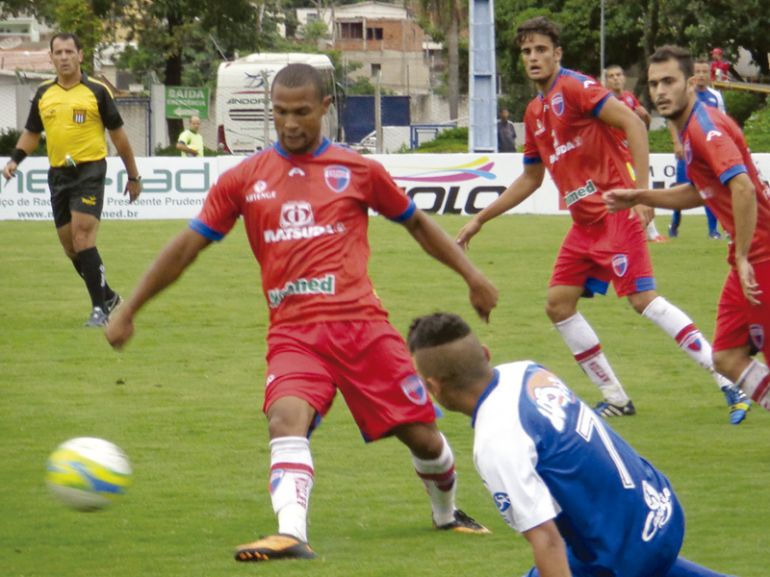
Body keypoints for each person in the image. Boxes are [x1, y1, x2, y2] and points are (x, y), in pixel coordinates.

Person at [105, 63, 499, 562]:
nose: (289, 123)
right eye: (280, 112)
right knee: (284, 420)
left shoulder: (358, 170)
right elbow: (187, 247)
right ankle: (291, 532)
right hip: (293, 335)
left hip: (363, 331)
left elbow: (418, 224)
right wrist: (131, 307)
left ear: (324, 108)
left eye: (301, 112)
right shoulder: (244, 179)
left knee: (422, 438)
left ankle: (447, 512)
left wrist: (473, 276)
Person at [455, 16, 749, 423]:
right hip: (584, 226)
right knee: (558, 305)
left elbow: (633, 123)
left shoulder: (575, 87)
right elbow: (531, 177)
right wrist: (480, 219)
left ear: (557, 54)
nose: (534, 57)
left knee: (643, 300)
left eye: (542, 50)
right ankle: (616, 396)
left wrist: (643, 193)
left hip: (616, 212)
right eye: (527, 52)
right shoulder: (535, 111)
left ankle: (728, 381)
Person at [407, 311, 738, 577]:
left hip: (621, 554)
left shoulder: (496, 441)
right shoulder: (527, 371)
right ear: (485, 354)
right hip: (660, 508)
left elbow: (547, 540)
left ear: (432, 385)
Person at [604, 44, 770, 416]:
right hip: (747, 257)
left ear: (690, 84)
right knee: (726, 357)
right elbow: (701, 191)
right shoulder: (693, 127)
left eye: (669, 81)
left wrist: (743, 255)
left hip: (762, 257)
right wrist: (641, 195)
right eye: (654, 84)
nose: (660, 91)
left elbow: (741, 186)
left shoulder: (704, 128)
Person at [1, 32, 142, 327]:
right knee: (71, 247)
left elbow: (120, 139)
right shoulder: (43, 93)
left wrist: (133, 176)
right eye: (58, 52)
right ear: (51, 57)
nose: (63, 57)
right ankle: (108, 296)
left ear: (80, 54)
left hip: (89, 171)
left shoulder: (97, 91)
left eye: (69, 51)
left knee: (83, 237)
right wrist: (15, 159)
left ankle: (99, 310)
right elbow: (31, 133)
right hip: (58, 175)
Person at [604, 64, 666, 243]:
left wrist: (645, 115)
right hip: (614, 156)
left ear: (624, 78)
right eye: (612, 76)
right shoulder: (606, 101)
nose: (616, 78)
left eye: (618, 75)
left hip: (629, 154)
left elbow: (643, 122)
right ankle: (647, 232)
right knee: (636, 192)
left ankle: (646, 231)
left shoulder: (630, 99)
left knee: (638, 191)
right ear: (606, 81)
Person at [668, 58, 725, 239]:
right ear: (692, 74)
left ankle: (712, 231)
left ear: (709, 75)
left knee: (710, 190)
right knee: (681, 190)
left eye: (704, 72)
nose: (701, 75)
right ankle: (675, 222)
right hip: (687, 150)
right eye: (698, 71)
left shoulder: (715, 96)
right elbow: (671, 119)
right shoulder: (684, 95)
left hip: (708, 151)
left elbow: (721, 123)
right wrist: (677, 143)